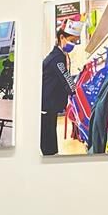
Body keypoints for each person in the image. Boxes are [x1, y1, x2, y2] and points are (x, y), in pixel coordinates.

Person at [40, 18, 81, 155]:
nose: (73, 44)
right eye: (72, 41)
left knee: (50, 136)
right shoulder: (56, 58)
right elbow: (65, 77)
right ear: (61, 37)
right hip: (45, 105)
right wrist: (76, 91)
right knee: (48, 141)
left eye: (75, 42)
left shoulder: (60, 55)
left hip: (50, 104)